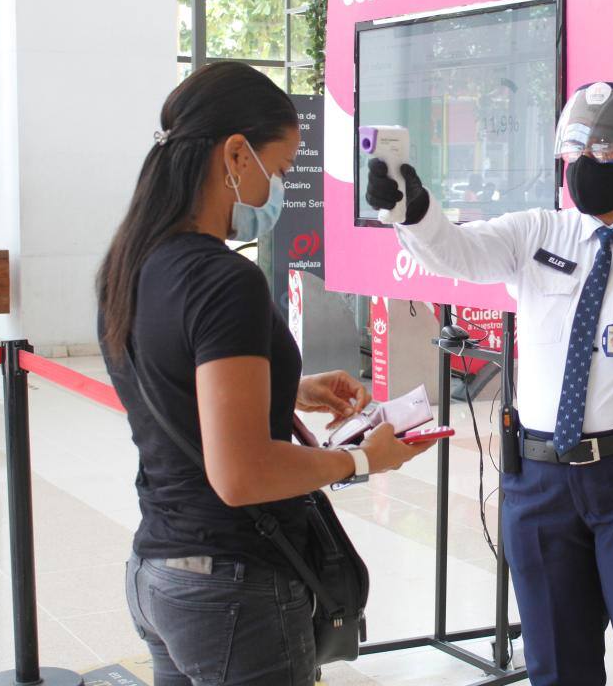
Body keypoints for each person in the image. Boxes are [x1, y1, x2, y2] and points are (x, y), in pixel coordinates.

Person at [366, 81, 613, 686]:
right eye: (581, 144)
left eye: (607, 146)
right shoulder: (537, 233)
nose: (586, 160)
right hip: (540, 482)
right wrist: (413, 210)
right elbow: (458, 253)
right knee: (555, 666)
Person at [97, 62, 434, 686]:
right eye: (279, 170)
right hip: (232, 586)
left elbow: (173, 386)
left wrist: (289, 389)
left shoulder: (130, 264)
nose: (279, 187)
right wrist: (363, 461)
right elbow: (242, 473)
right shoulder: (225, 280)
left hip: (159, 573)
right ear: (234, 156)